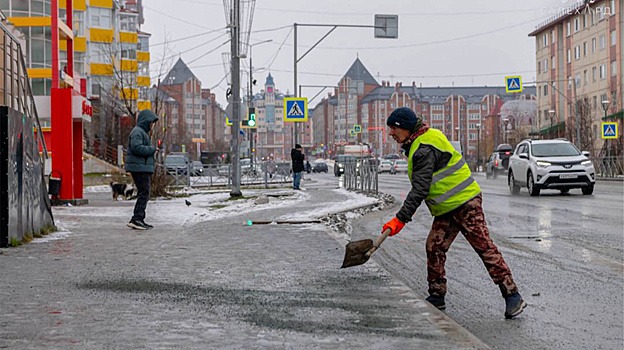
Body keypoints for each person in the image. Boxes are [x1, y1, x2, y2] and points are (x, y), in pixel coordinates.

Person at [381, 107, 526, 319]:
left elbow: (420, 189)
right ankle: (437, 296)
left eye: (393, 128)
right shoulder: (425, 138)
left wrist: (399, 219)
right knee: (434, 246)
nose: (391, 133)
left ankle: (513, 296)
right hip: (448, 208)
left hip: (465, 203)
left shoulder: (423, 148)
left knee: (483, 247)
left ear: (405, 127)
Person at [125, 109, 159, 230]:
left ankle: (139, 218)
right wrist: (152, 149)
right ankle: (137, 218)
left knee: (144, 192)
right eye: (151, 122)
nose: (152, 125)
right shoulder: (138, 132)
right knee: (144, 192)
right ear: (146, 121)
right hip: (139, 167)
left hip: (141, 167)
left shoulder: (142, 132)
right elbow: (136, 148)